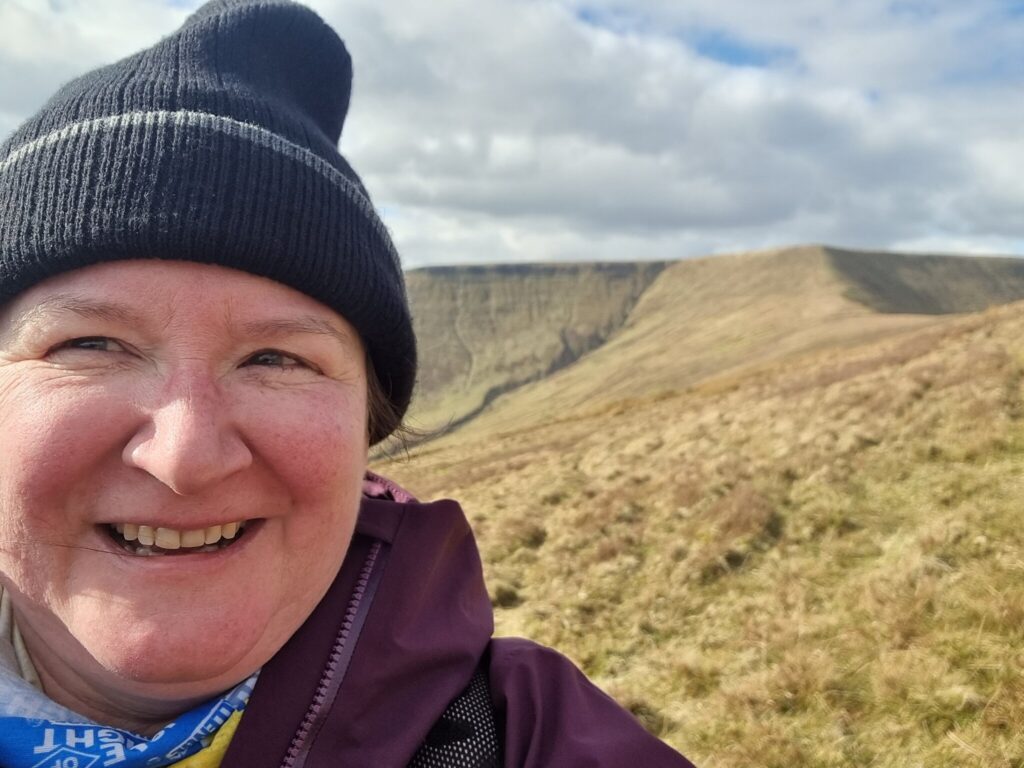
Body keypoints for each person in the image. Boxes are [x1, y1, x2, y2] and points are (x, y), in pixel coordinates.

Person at [0, 1, 696, 765]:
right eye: (91, 344)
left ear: (368, 421)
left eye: (276, 358)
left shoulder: (529, 739)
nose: (185, 456)